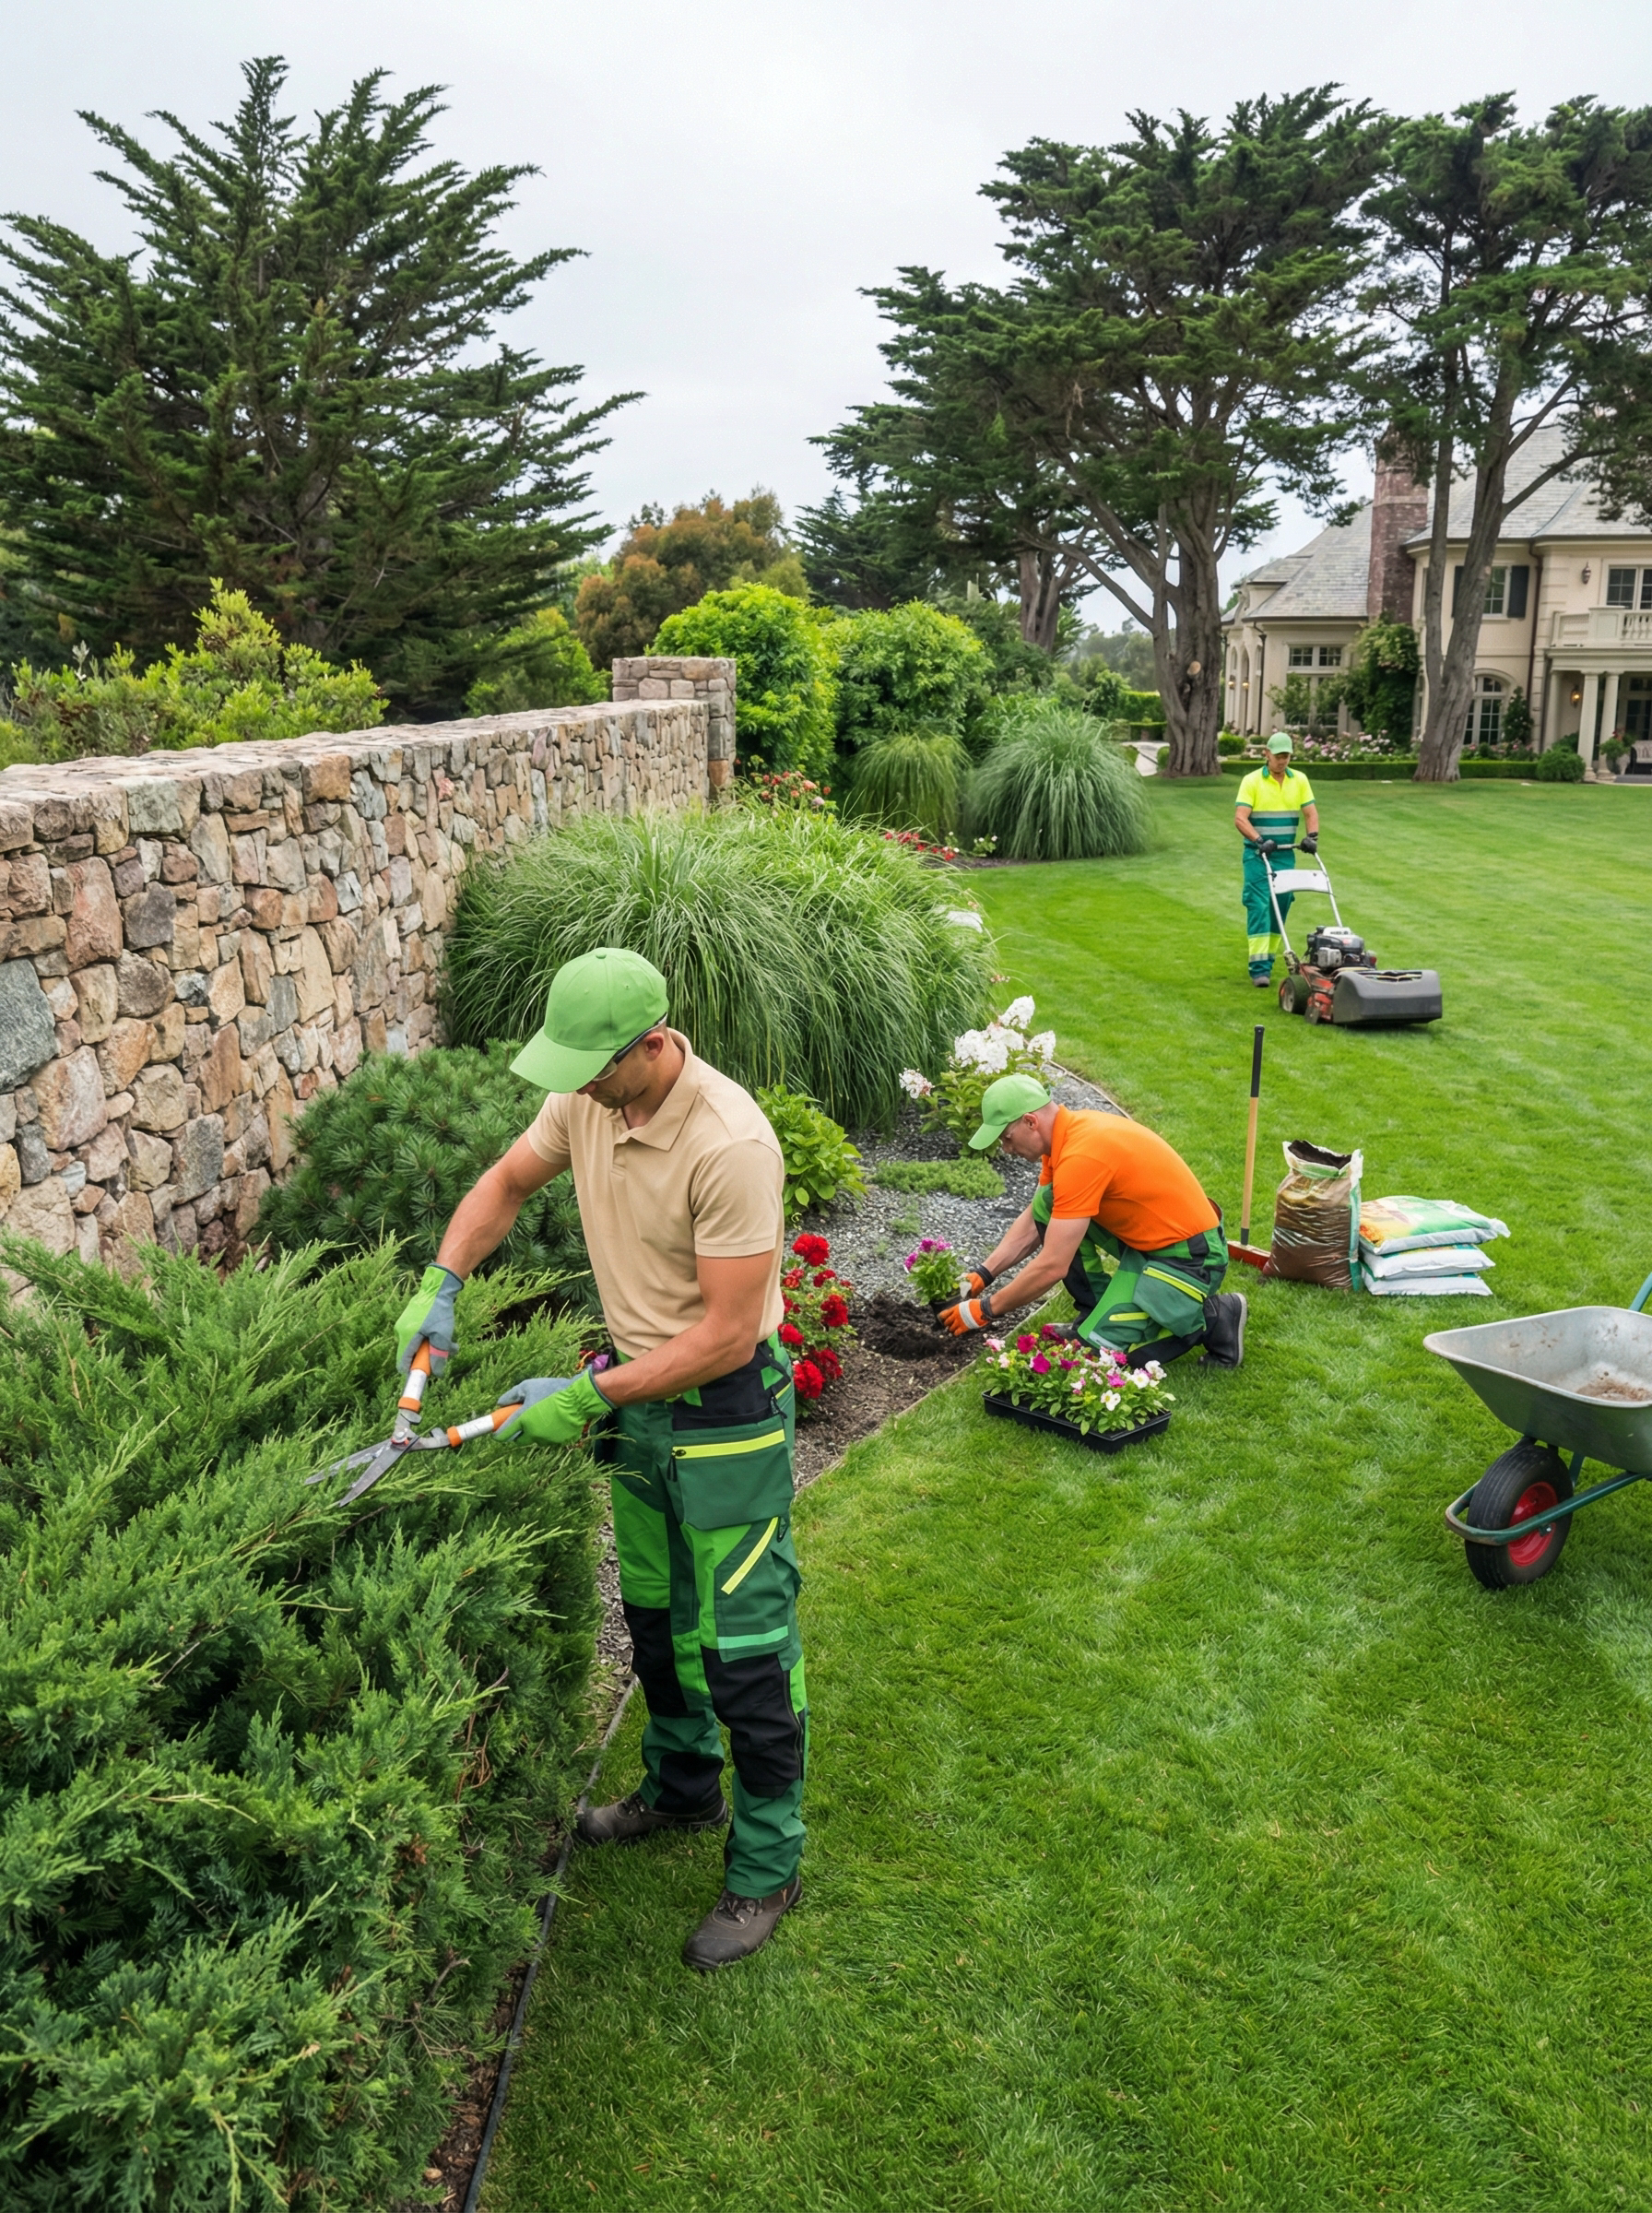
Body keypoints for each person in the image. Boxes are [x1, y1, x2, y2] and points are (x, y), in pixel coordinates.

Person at [392, 947, 806, 1972]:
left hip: (726, 1411)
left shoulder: (730, 1145)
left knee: (745, 1652)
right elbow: (505, 1180)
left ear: (653, 1046)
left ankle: (768, 1863)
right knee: (657, 1622)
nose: (575, 1086)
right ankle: (680, 1787)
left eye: (593, 1067)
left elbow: (723, 1333)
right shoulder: (586, 1102)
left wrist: (584, 1395)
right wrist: (442, 1282)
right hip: (641, 1404)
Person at [938, 1073, 1246, 1368]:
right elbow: (1037, 1218)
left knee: (1101, 1355)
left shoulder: (1082, 1155)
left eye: (1006, 1138)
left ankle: (1217, 1317)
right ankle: (1095, 1311)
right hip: (1149, 1244)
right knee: (1048, 1202)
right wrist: (982, 1275)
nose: (1006, 1149)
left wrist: (988, 1310)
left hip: (1191, 1258)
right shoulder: (1066, 1136)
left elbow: (1052, 1265)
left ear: (1030, 1122)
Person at [1234, 734, 1318, 987]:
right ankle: (1259, 969)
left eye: (1287, 756)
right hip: (1257, 855)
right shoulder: (1251, 781)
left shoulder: (1300, 780)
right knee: (1259, 905)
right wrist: (1260, 840)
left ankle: (1267, 959)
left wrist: (1311, 837)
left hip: (1284, 855)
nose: (1282, 760)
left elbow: (1311, 812)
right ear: (1266, 754)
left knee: (1280, 907)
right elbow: (1240, 818)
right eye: (1278, 755)